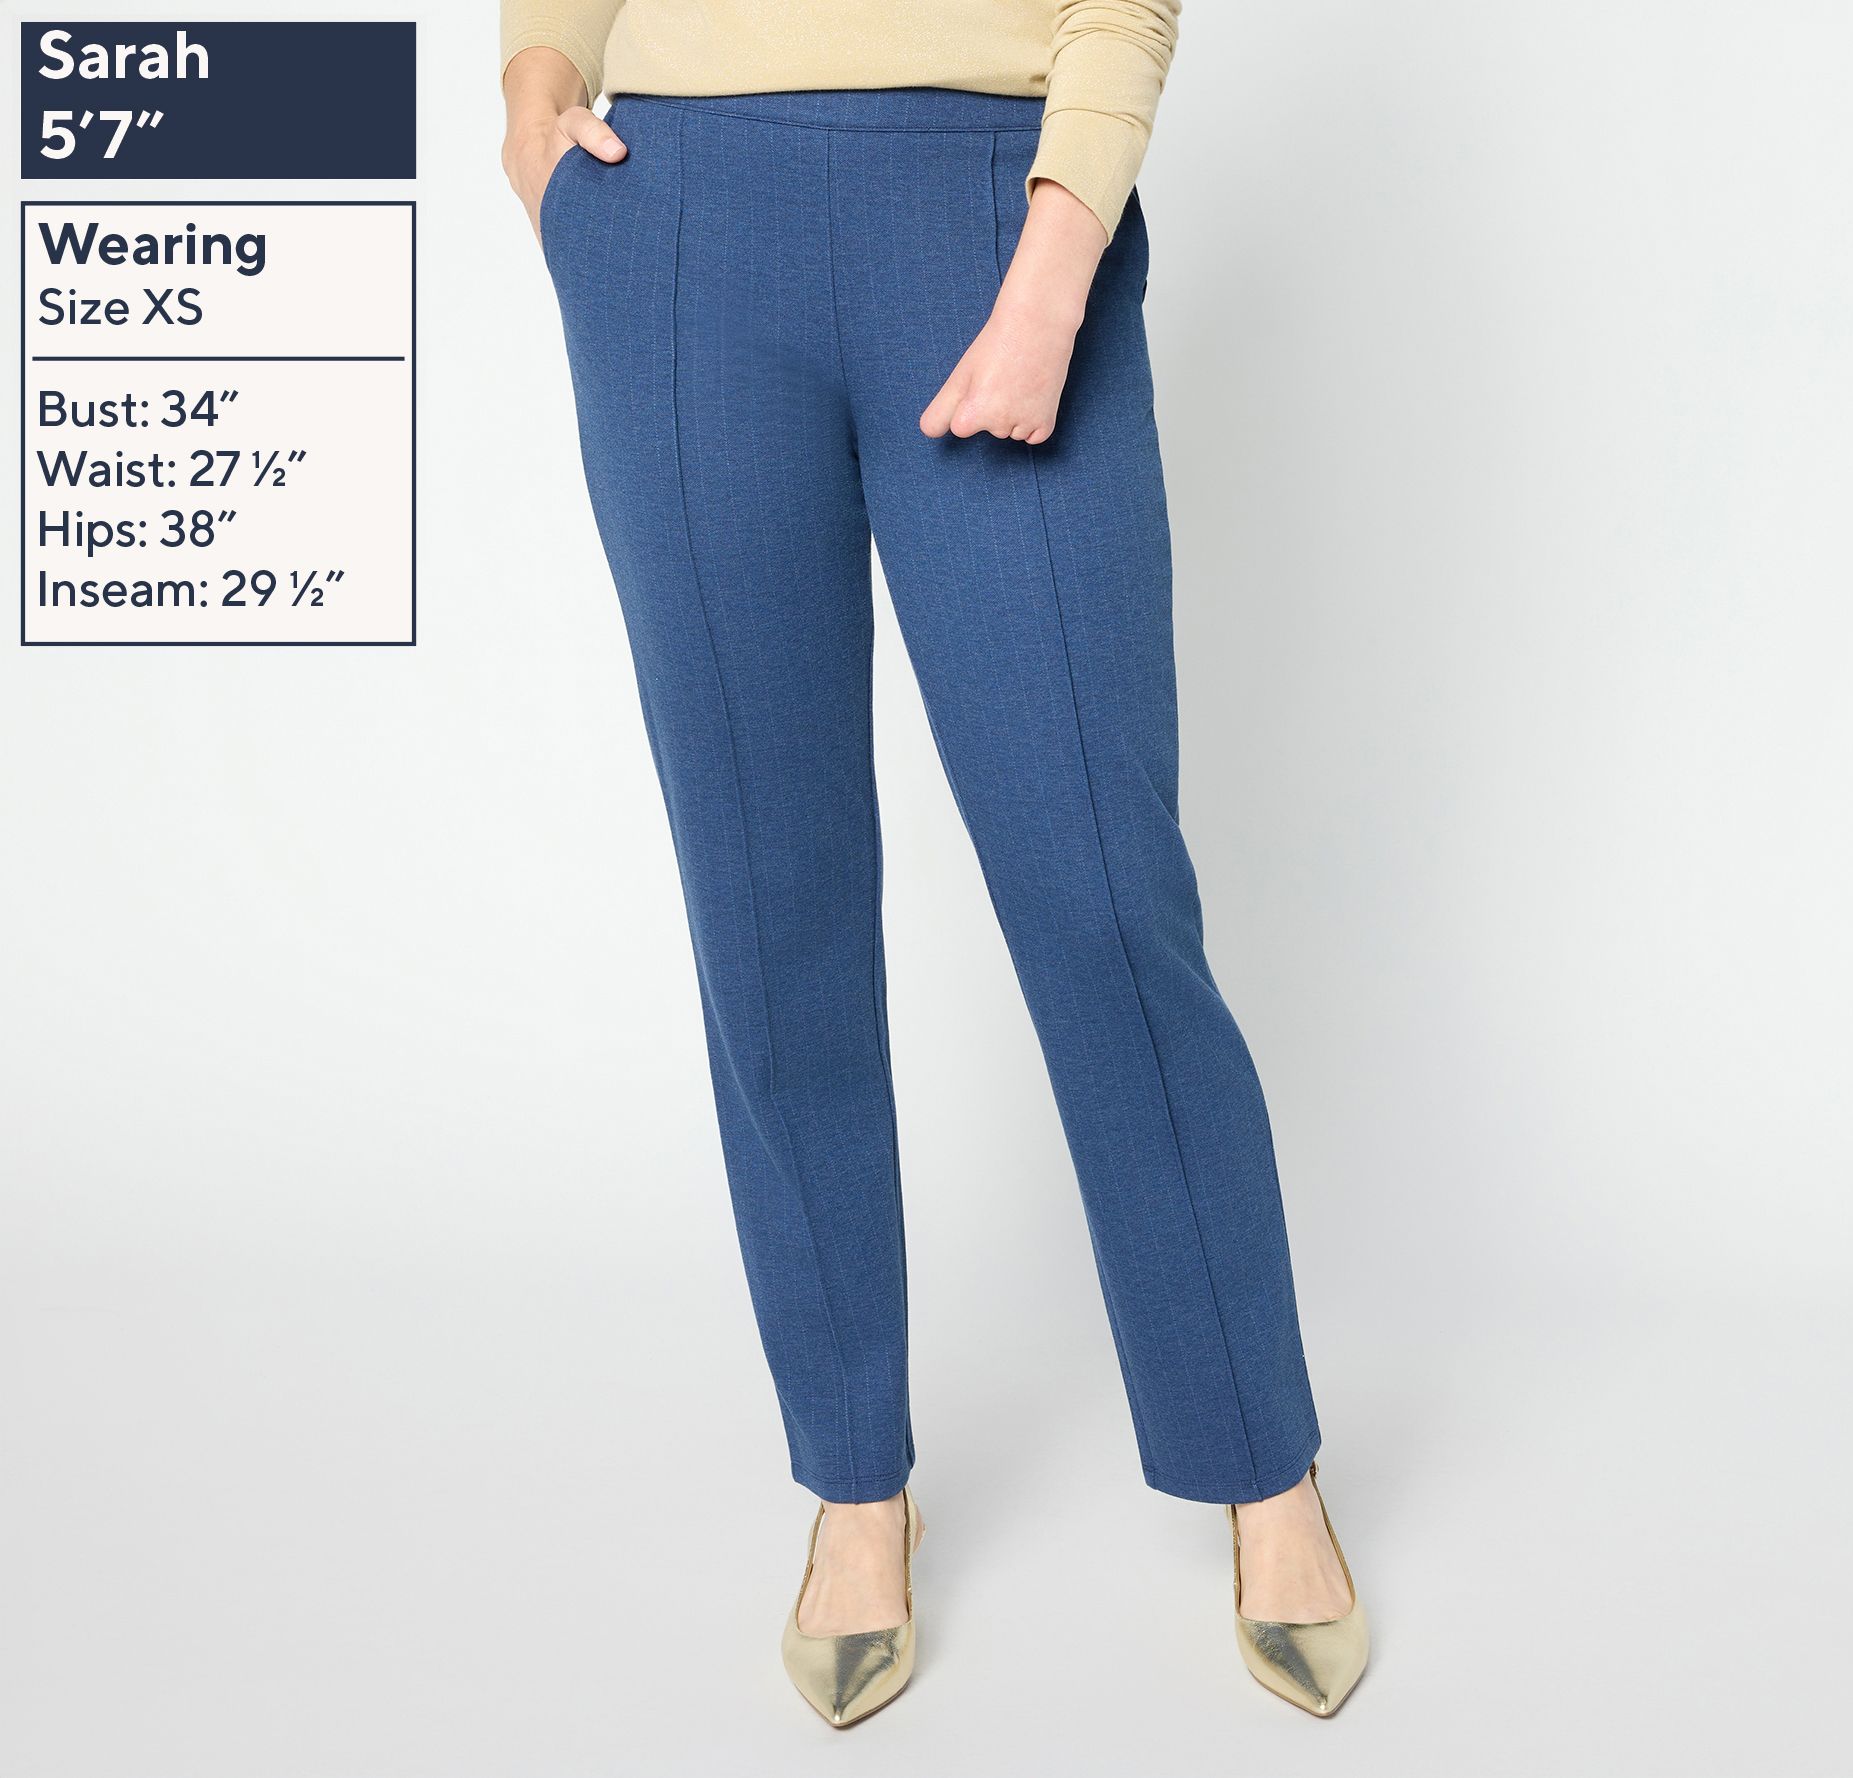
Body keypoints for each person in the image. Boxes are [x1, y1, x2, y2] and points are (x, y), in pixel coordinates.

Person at [500, 0, 1368, 1726]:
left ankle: (1258, 1454)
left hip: (988, 204)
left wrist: (1053, 264)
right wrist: (537, 98)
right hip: (675, 216)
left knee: (1098, 889)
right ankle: (852, 1477)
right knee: (768, 895)